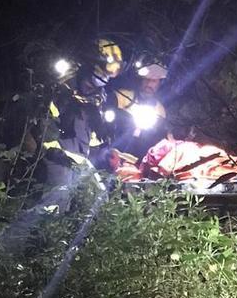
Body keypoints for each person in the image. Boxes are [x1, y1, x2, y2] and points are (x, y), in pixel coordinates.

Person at [42, 38, 122, 191]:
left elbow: (91, 141)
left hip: (78, 163)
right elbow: (44, 133)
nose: (94, 86)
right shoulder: (58, 92)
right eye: (94, 77)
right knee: (58, 196)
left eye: (103, 80)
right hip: (55, 159)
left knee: (98, 195)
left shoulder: (94, 103)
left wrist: (106, 153)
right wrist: (61, 155)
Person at [107, 62, 169, 161]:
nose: (149, 84)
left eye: (154, 81)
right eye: (146, 79)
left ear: (159, 83)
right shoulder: (121, 97)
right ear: (141, 79)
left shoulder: (160, 110)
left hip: (137, 160)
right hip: (112, 151)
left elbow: (158, 140)